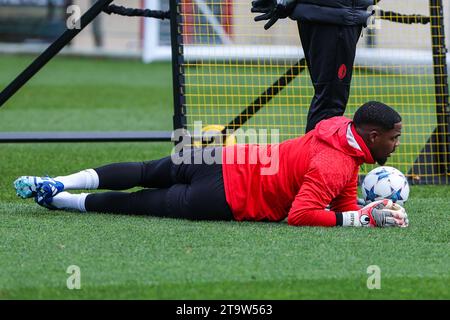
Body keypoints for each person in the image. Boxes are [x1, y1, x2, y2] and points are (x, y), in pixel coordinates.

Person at [13, 101, 408, 228]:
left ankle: (58, 181)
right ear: (372, 136)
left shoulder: (337, 128)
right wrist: (359, 220)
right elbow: (302, 214)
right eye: (393, 138)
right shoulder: (335, 165)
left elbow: (339, 203)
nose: (395, 145)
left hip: (226, 155)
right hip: (224, 196)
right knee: (140, 203)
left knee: (144, 169)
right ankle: (60, 201)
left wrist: (366, 210)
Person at [251, 0, 376, 133]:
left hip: (326, 12)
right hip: (334, 15)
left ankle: (314, 152)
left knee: (328, 101)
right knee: (329, 105)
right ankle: (316, 153)